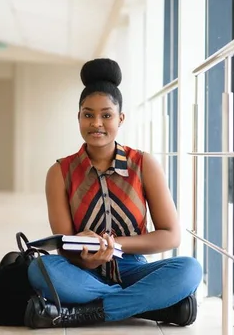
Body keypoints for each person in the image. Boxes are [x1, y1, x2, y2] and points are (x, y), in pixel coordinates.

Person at [26, 58, 202, 328]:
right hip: (83, 271)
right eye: (88, 114)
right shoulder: (60, 172)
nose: (97, 123)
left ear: (120, 118)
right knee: (41, 269)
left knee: (189, 270)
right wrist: (86, 255)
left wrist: (113, 245)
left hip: (133, 269)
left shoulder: (143, 164)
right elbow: (63, 246)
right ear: (79, 117)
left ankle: (87, 312)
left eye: (106, 115)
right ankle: (150, 307)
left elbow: (171, 235)